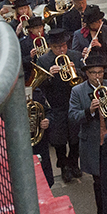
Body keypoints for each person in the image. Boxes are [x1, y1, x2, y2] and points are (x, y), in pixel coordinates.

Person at [68, 54, 107, 214]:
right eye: (93, 73)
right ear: (87, 73)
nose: (97, 76)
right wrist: (89, 110)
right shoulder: (78, 91)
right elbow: (73, 116)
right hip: (93, 143)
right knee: (99, 182)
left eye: (100, 72)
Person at [37, 28, 84, 183]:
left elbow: (84, 78)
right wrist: (49, 75)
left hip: (74, 102)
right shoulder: (43, 60)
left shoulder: (75, 56)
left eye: (64, 45)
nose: (62, 49)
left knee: (75, 137)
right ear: (50, 46)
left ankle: (74, 163)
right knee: (59, 139)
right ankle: (63, 165)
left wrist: (76, 71)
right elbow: (39, 86)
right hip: (56, 104)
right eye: (58, 47)